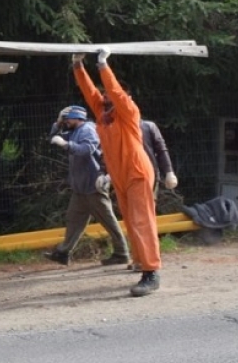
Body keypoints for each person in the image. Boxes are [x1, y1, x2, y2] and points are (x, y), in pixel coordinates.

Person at [73, 49, 162, 297]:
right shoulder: (104, 115)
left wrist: (103, 65)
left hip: (137, 173)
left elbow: (115, 93)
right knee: (132, 221)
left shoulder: (129, 112)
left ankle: (152, 272)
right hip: (120, 176)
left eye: (110, 93)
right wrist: (78, 65)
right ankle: (140, 260)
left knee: (142, 221)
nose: (105, 96)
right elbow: (90, 93)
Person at [42, 105, 131, 267]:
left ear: (77, 117)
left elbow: (86, 150)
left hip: (93, 185)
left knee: (108, 220)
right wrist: (58, 123)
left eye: (68, 118)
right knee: (74, 220)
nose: (66, 121)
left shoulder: (87, 130)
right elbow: (53, 139)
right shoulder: (74, 131)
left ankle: (122, 253)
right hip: (80, 188)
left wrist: (66, 145)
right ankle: (63, 253)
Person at [142, 119, 178, 192]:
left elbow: (161, 150)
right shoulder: (115, 128)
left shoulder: (148, 126)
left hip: (148, 175)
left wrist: (169, 172)